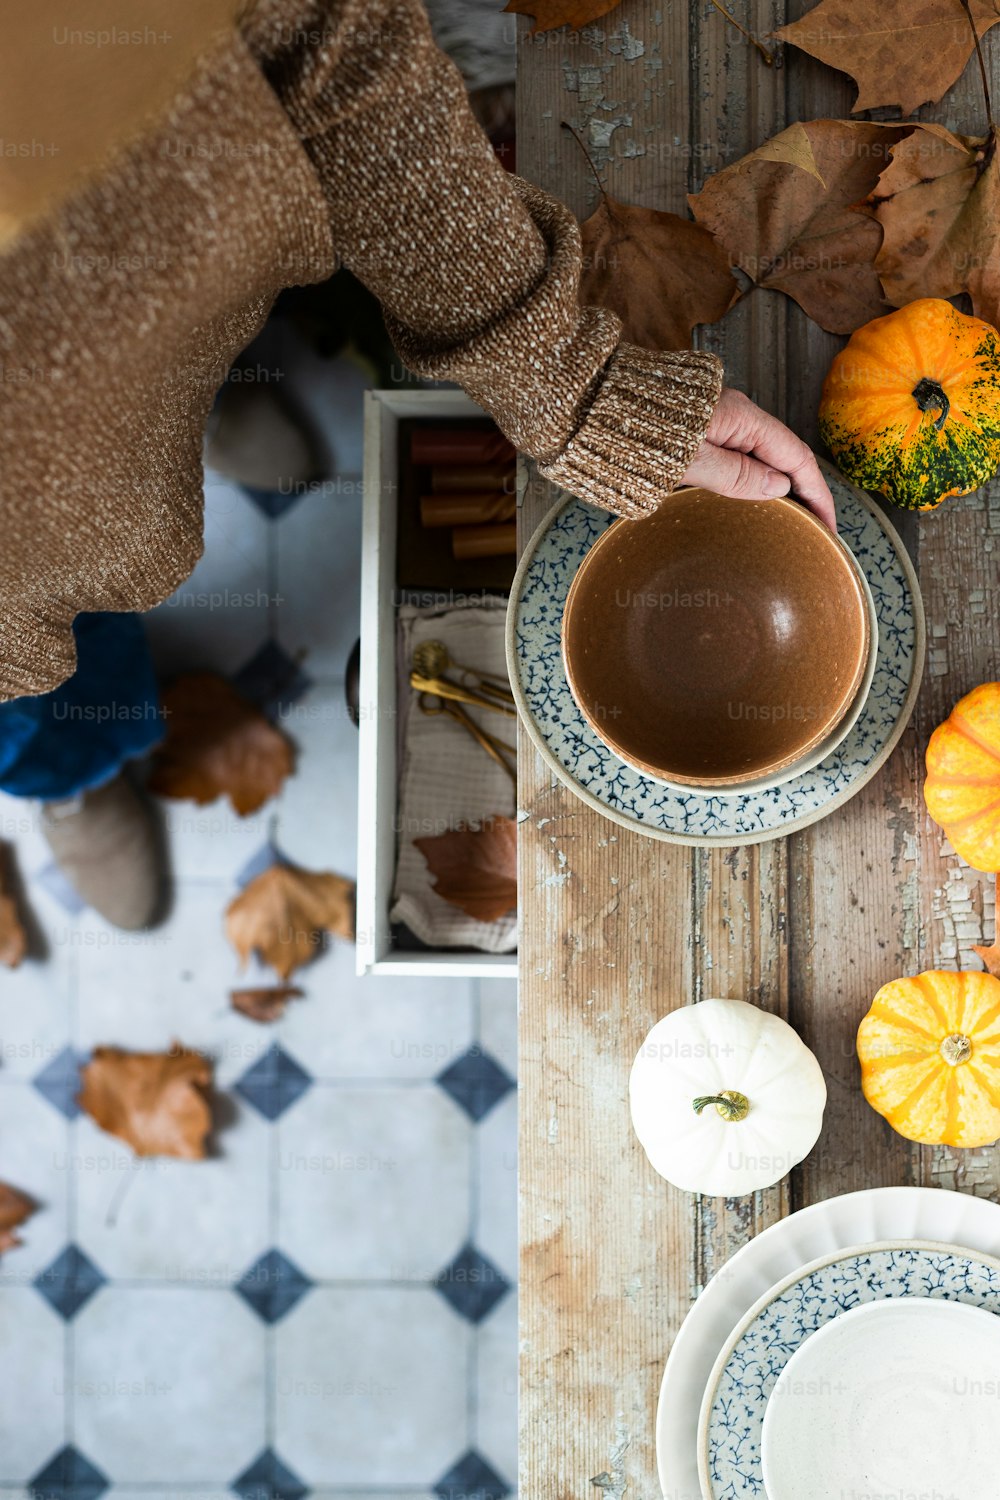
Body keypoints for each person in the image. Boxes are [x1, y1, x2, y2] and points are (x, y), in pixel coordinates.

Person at [0, 0, 837, 925]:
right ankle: (65, 771)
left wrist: (565, 379)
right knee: (41, 690)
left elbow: (324, 42)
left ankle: (199, 387)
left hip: (163, 280)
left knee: (166, 345)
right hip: (21, 558)